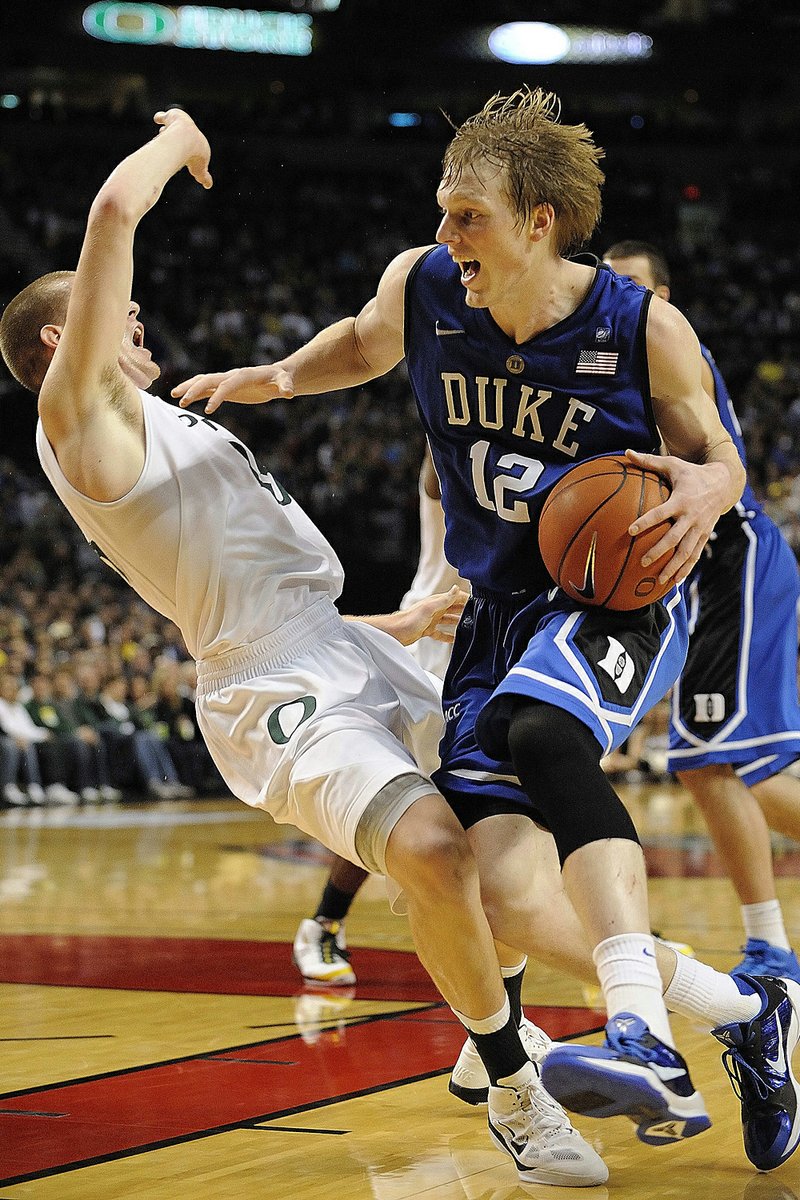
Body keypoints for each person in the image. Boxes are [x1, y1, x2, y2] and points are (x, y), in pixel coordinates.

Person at [172, 87, 800, 1172]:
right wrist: (272, 379)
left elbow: (716, 455)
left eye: (467, 215)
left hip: (612, 592)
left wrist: (708, 492)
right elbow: (360, 344)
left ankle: (639, 1027)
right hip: (495, 608)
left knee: (542, 735)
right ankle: (746, 1016)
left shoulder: (636, 323)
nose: (445, 235)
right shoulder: (421, 288)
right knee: (502, 893)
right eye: (442, 212)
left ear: (537, 220)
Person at [0, 108, 610, 1189]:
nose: (141, 332)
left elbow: (240, 582)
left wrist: (387, 627)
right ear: (64, 342)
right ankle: (522, 1079)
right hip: (268, 685)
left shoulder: (166, 420)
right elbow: (111, 210)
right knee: (432, 854)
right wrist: (183, 137)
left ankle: (493, 1033)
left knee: (506, 826)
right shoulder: (80, 419)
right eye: (122, 321)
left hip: (331, 642)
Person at [603, 240, 800, 984]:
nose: (618, 298)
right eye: (609, 286)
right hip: (696, 575)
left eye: (635, 287)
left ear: (664, 299)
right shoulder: (612, 362)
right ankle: (769, 942)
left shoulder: (666, 354)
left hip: (731, 559)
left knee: (705, 759)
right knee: (731, 766)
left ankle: (769, 946)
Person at [292, 446, 465, 988]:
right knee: (397, 804)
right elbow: (434, 475)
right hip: (431, 644)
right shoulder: (459, 457)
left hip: (495, 647)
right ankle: (324, 921)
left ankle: (605, 932)